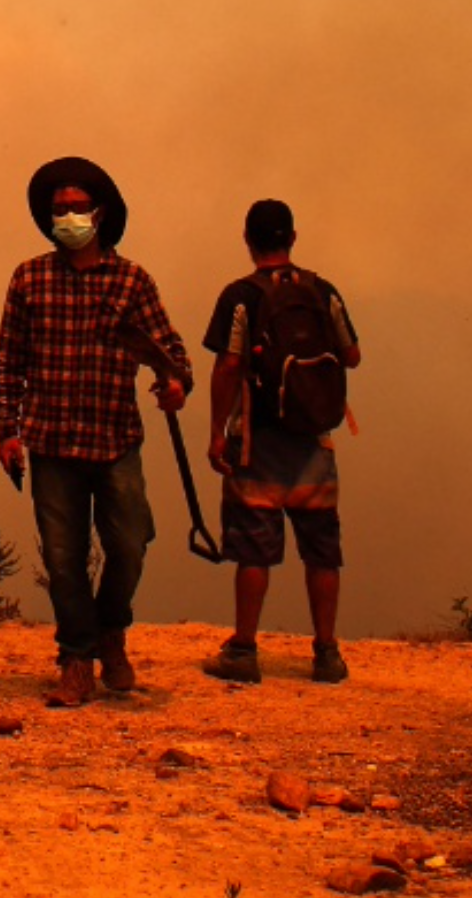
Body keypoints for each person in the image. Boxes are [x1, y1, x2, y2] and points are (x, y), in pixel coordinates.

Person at [0, 156, 191, 708]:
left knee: (130, 543)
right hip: (51, 441)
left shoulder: (132, 281)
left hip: (115, 439)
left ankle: (112, 629)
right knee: (63, 559)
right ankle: (77, 659)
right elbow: (8, 361)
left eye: (78, 208)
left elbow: (171, 355)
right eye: (59, 210)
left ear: (100, 214)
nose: (69, 217)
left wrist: (175, 385)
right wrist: (7, 431)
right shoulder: (29, 279)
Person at [199, 199, 361, 685]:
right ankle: (327, 653)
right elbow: (352, 355)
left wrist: (215, 433)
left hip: (258, 438)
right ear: (293, 237)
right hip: (314, 439)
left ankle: (245, 649)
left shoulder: (240, 296)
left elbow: (228, 366)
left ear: (247, 240)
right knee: (322, 548)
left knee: (254, 549)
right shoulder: (321, 290)